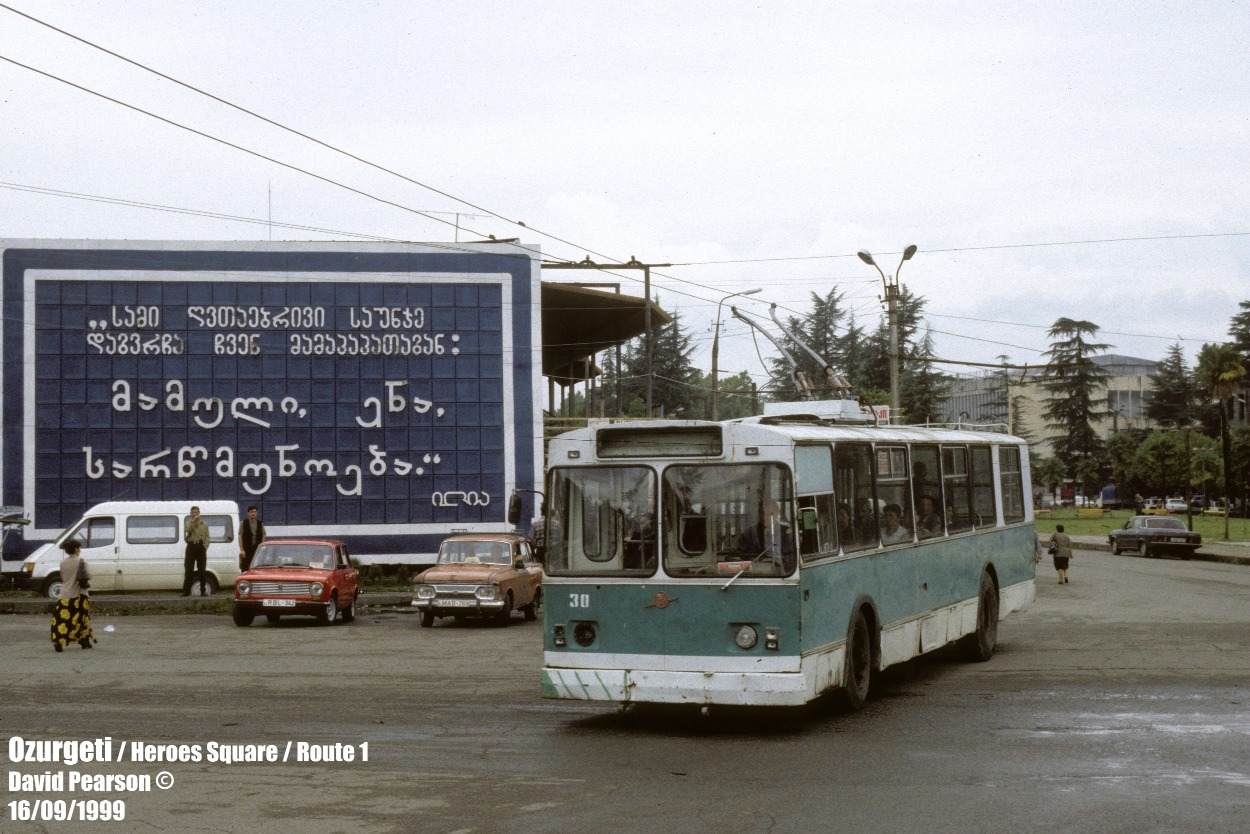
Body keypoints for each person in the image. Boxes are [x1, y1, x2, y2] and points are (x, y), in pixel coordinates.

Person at [50, 540, 94, 652]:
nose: (80, 550)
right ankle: (84, 641)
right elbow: (89, 575)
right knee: (82, 619)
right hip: (79, 595)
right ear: (76, 549)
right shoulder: (82, 562)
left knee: (62, 620)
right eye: (79, 548)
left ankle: (58, 641)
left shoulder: (63, 563)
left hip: (64, 595)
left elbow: (63, 577)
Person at [736, 498, 796, 573]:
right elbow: (740, 554)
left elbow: (793, 556)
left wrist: (776, 560)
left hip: (781, 574)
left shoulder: (786, 533)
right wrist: (738, 558)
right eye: (762, 513)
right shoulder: (749, 533)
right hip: (754, 574)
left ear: (776, 513)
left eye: (769, 514)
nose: (765, 517)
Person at [182, 506, 211, 596]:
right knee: (189, 569)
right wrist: (193, 522)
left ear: (199, 513)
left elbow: (207, 537)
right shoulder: (188, 523)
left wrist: (204, 547)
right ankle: (186, 592)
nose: (195, 514)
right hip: (191, 546)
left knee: (202, 570)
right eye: (193, 512)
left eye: (196, 512)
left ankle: (203, 591)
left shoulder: (204, 525)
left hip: (200, 547)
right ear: (191, 514)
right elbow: (187, 530)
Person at [238, 504, 266, 572]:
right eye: (251, 512)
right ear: (248, 513)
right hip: (246, 550)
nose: (253, 513)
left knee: (257, 568)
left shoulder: (260, 523)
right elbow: (240, 537)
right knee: (245, 569)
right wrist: (242, 550)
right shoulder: (243, 523)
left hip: (257, 550)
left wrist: (262, 549)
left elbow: (263, 536)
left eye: (255, 512)